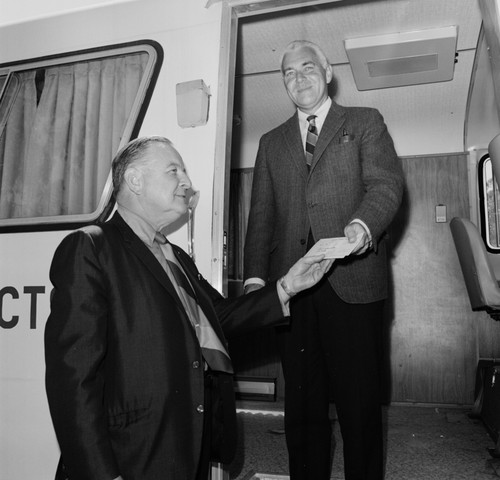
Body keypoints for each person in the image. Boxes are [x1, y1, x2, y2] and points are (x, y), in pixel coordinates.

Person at [44, 136, 332, 480]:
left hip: (184, 441)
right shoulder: (91, 248)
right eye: (174, 171)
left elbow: (218, 317)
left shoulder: (175, 256)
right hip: (130, 454)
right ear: (135, 180)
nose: (187, 183)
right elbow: (73, 381)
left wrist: (287, 286)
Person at [243, 40, 405, 480]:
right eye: (289, 73)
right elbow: (261, 217)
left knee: (359, 402)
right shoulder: (270, 142)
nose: (299, 78)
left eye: (307, 67)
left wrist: (360, 228)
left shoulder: (365, 122)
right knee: (303, 403)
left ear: (327, 71)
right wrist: (256, 282)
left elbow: (386, 186)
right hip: (293, 289)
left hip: (353, 281)